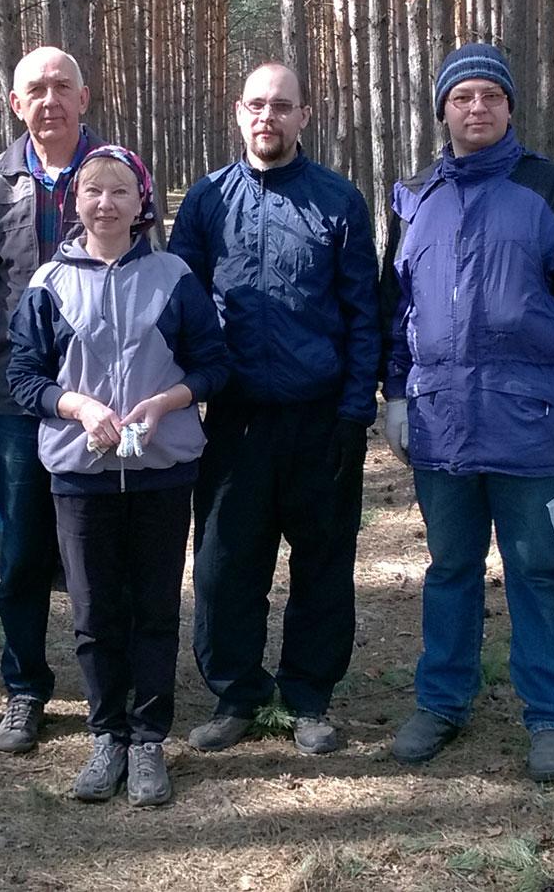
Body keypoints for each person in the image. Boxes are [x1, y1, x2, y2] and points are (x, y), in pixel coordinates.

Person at [380, 43, 554, 782]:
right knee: (450, 568)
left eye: (491, 95)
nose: (477, 108)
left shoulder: (552, 190)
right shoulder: (414, 197)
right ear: (443, 111)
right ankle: (442, 701)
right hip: (440, 423)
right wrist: (396, 394)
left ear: (510, 107)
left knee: (535, 569)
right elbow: (395, 310)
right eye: (462, 97)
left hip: (529, 421)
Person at [167, 63, 378, 755]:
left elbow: (363, 314)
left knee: (323, 566)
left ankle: (308, 696)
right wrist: (184, 397)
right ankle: (238, 694)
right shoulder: (206, 201)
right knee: (225, 565)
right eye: (257, 104)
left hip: (320, 418)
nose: (268, 116)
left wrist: (354, 414)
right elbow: (178, 308)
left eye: (282, 105)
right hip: (234, 421)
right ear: (238, 112)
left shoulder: (338, 201)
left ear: (304, 116)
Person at [8, 145, 229, 806]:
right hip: (81, 476)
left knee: (156, 609)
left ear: (142, 204)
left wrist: (165, 403)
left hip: (162, 473)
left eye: (120, 192)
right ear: (74, 202)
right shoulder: (49, 282)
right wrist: (77, 406)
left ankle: (149, 738)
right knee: (95, 612)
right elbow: (24, 376)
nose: (106, 203)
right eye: (93, 191)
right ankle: (107, 734)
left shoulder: (174, 277)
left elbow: (213, 365)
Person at [0, 46, 106, 753]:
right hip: (18, 397)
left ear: (84, 97)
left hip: (101, 395)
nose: (50, 99)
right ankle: (25, 689)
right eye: (36, 89)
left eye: (62, 86)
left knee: (99, 551)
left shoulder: (114, 172)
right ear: (16, 104)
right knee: (22, 550)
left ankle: (110, 684)